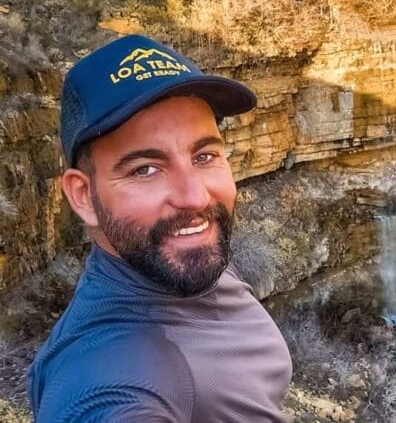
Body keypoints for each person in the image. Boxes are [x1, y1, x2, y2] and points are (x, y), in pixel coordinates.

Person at [26, 35, 293, 422]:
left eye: (204, 156)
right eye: (145, 169)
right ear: (83, 196)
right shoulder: (109, 377)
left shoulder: (182, 260)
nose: (195, 197)